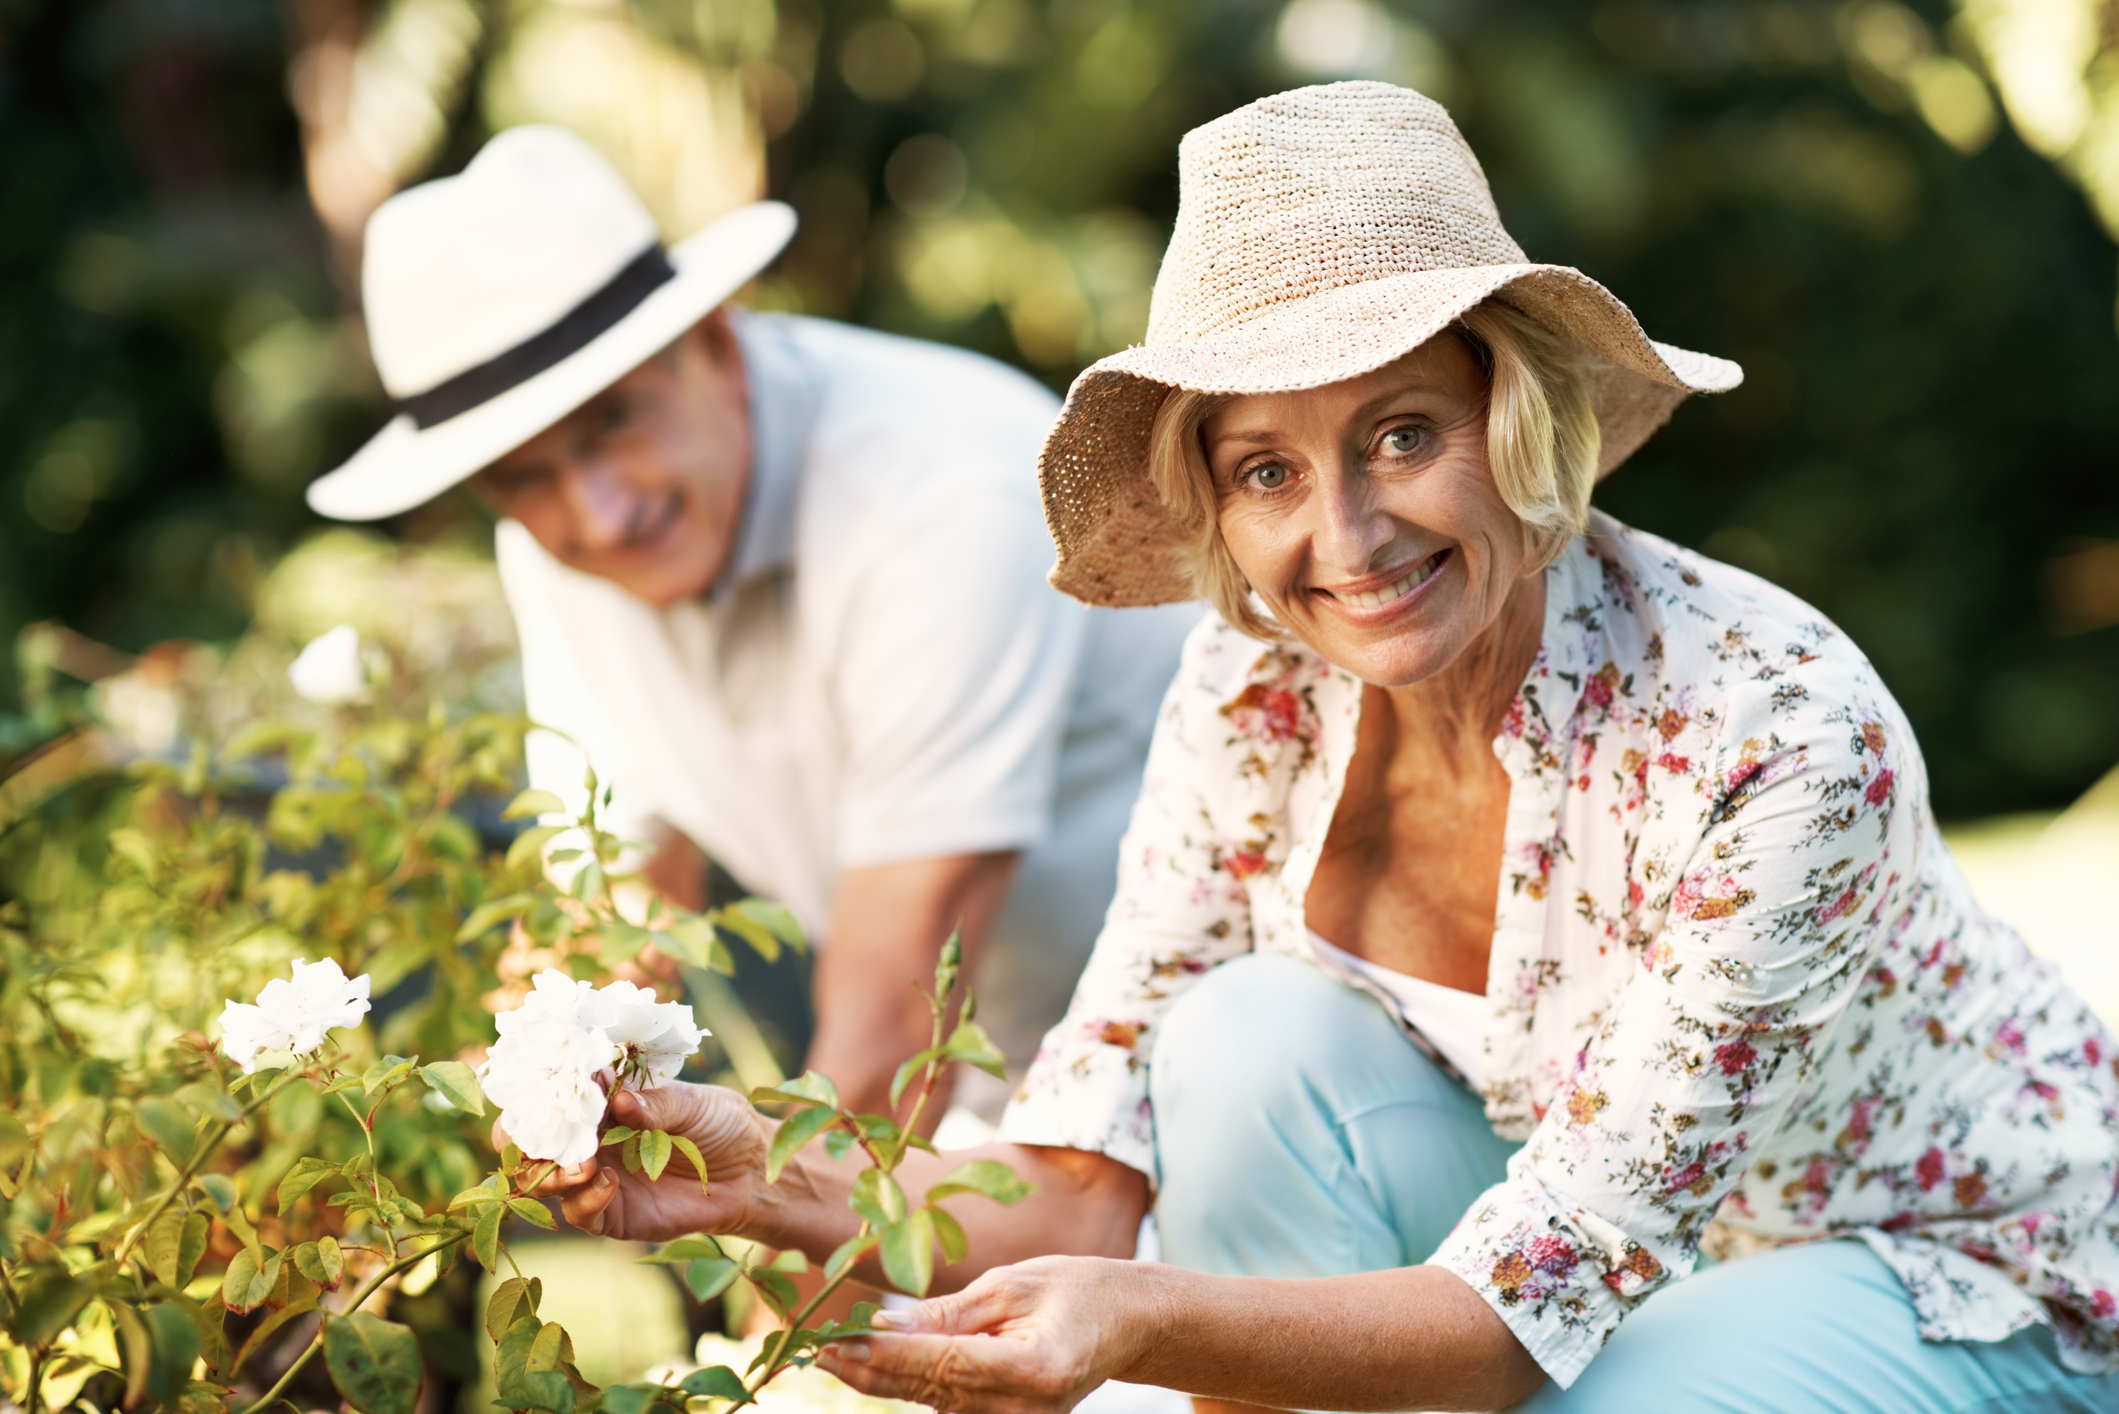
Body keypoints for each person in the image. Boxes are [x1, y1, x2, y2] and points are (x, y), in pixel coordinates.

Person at [529, 83, 2119, 1411]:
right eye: (1265, 469)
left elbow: (1510, 1325)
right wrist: (757, 1181)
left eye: (1401, 434)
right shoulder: (1253, 684)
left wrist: (1146, 1321)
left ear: (1514, 414)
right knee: (1234, 1044)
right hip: (1583, 1255)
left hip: (1949, 1274)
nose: (1343, 538)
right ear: (1214, 506)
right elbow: (1084, 1176)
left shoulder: (1769, 729)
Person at [304, 126, 1197, 1125]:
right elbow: (620, 901)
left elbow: (897, 1007)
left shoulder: (937, 488)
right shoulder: (561, 550)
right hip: (1004, 1093)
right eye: (523, 477)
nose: (598, 514)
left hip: (1227, 1044)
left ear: (718, 346)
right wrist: (551, 1116)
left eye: (615, 423)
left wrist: (780, 1257)